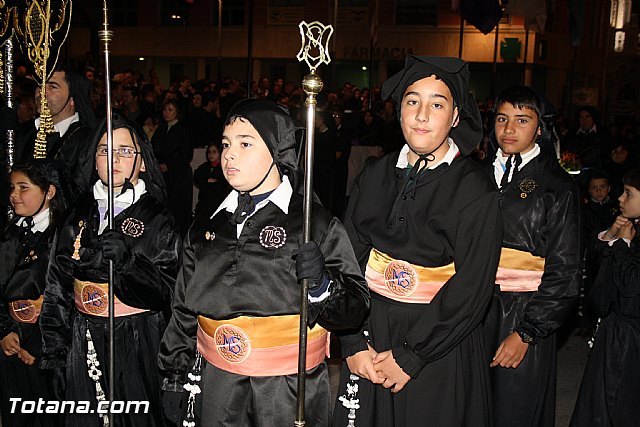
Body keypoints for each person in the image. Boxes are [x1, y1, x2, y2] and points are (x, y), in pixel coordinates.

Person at [158, 99, 369, 426]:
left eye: (245, 144)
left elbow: (354, 309)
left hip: (285, 388)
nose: (228, 154)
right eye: (226, 144)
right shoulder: (206, 224)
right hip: (216, 381)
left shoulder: (315, 225)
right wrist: (174, 372)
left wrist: (321, 286)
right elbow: (184, 304)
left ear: (277, 151)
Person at [332, 55, 502, 426]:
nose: (422, 115)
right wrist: (352, 343)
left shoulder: (475, 187)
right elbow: (345, 261)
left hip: (438, 344)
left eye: (436, 104)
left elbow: (473, 285)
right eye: (412, 101)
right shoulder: (375, 173)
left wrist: (410, 355)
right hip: (370, 335)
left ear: (455, 116)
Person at [39, 114, 181, 427]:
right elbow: (57, 285)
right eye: (104, 150)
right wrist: (55, 353)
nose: (113, 158)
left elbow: (168, 292)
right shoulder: (78, 212)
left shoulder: (158, 218)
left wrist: (129, 265)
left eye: (125, 151)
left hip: (136, 338)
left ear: (142, 161)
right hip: (83, 338)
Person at [483, 86, 581, 427]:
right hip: (472, 310)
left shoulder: (556, 186)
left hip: (522, 312)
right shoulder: (476, 175)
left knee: (515, 410)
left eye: (521, 120)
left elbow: (565, 271)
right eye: (502, 119)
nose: (509, 130)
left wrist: (527, 331)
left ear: (539, 128)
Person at [570, 167, 640, 426]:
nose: (621, 199)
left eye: (629, 194)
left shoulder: (630, 238)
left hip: (629, 334)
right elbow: (597, 259)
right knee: (601, 398)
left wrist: (622, 245)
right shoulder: (629, 227)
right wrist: (611, 236)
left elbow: (631, 283)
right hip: (614, 328)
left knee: (617, 398)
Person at [0, 161, 65, 427]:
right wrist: (4, 330)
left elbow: (63, 295)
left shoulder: (63, 235)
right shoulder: (10, 232)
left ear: (49, 192)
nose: (14, 194)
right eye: (12, 187)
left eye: (23, 187)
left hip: (45, 346)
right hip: (10, 341)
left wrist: (37, 344)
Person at [13, 64, 97, 204]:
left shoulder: (87, 140)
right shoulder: (24, 133)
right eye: (40, 86)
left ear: (72, 99)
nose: (42, 92)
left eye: (52, 86)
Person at [151, 99, 194, 237]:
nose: (166, 113)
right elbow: (153, 149)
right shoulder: (161, 129)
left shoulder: (184, 129)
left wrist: (169, 164)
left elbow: (186, 153)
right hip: (163, 174)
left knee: (178, 208)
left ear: (177, 112)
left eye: (170, 110)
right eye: (165, 109)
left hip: (178, 174)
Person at [192, 144, 230, 217]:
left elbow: (223, 185)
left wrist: (211, 183)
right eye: (209, 152)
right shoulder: (204, 167)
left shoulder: (225, 168)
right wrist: (207, 180)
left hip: (218, 204)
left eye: (214, 152)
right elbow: (197, 178)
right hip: (204, 204)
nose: (211, 154)